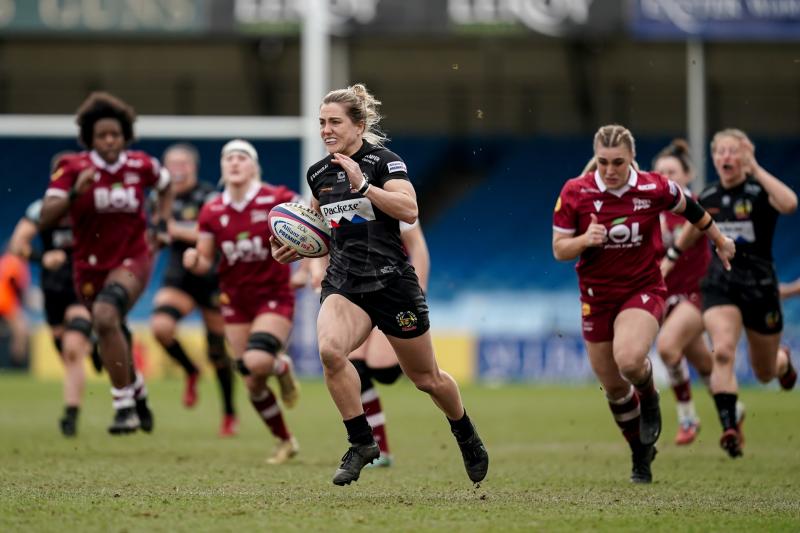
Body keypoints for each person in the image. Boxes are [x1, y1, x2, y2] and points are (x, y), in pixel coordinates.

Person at [271, 83, 488, 486]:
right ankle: (362, 442)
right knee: (331, 352)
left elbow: (409, 209)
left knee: (428, 379)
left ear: (360, 124)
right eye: (321, 122)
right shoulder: (319, 173)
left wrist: (365, 186)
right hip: (345, 283)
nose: (326, 129)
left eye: (334, 122)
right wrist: (295, 247)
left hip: (391, 284)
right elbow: (324, 230)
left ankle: (464, 431)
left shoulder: (385, 163)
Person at [552, 124, 735, 483]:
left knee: (631, 359)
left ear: (632, 158)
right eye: (603, 162)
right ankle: (640, 454)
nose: (609, 170)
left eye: (618, 162)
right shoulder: (576, 191)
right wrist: (584, 240)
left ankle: (650, 394)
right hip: (595, 297)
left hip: (643, 288)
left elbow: (692, 209)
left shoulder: (653, 186)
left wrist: (719, 238)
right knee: (614, 386)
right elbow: (559, 249)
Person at [39, 91, 171, 434]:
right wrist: (73, 194)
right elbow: (45, 218)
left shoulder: (140, 165)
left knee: (105, 315)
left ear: (125, 135)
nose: (110, 141)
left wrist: (160, 223)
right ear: (90, 139)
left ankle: (122, 406)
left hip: (134, 257)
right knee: (112, 327)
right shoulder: (72, 168)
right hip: (89, 266)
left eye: (115, 134)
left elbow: (166, 184)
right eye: (102, 135)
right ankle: (138, 393)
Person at [664, 128, 797, 459]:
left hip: (761, 287)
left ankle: (783, 363)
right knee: (722, 351)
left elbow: (790, 203)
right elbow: (690, 234)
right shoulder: (707, 197)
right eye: (720, 151)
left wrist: (756, 168)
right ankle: (729, 427)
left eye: (733, 151)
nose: (726, 157)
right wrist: (668, 262)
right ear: (713, 157)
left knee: (764, 370)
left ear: (744, 156)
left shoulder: (759, 191)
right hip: (721, 284)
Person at [184, 139, 301, 464]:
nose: (234, 163)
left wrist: (311, 267)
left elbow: (314, 226)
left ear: (253, 166)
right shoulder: (212, 209)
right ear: (222, 167)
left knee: (258, 362)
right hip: (234, 301)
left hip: (273, 296)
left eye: (241, 158)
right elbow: (206, 260)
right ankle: (285, 440)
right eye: (228, 158)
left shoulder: (276, 199)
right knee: (252, 383)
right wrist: (195, 260)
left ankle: (281, 365)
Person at [8, 151, 102, 436]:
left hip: (82, 287)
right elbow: (16, 245)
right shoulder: (41, 209)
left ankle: (71, 414)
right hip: (53, 289)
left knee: (73, 349)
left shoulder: (90, 208)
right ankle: (94, 342)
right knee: (65, 349)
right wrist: (41, 257)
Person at [149, 143, 237, 437]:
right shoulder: (157, 198)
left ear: (193, 167)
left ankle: (228, 412)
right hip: (179, 277)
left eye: (183, 163)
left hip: (212, 278)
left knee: (217, 352)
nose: (177, 168)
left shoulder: (209, 195)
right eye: (171, 163)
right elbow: (153, 233)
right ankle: (190, 370)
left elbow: (213, 232)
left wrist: (173, 229)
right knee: (161, 327)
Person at [651, 140, 714, 446]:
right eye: (660, 172)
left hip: (697, 291)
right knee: (703, 362)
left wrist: (671, 256)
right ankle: (733, 410)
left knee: (666, 348)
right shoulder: (650, 213)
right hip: (666, 296)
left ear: (688, 176)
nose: (665, 176)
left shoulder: (695, 207)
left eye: (672, 171)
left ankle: (688, 416)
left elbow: (696, 231)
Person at [0, 251, 29, 366]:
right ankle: (16, 364)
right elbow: (13, 281)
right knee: (21, 329)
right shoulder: (13, 261)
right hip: (5, 303)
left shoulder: (6, 260)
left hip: (7, 303)